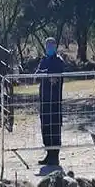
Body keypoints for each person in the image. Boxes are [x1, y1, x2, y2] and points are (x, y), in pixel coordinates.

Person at [35, 37, 65, 166]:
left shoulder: (58, 61)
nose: (49, 48)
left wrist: (46, 75)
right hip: (44, 99)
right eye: (48, 46)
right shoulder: (43, 60)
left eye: (52, 46)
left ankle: (55, 155)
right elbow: (37, 75)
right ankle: (48, 153)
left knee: (55, 126)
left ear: (55, 47)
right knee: (45, 127)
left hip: (55, 100)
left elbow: (55, 75)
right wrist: (45, 74)